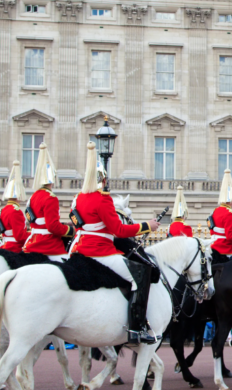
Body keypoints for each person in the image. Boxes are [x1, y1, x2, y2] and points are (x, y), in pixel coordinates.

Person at [70, 142, 160, 344]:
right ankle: (138, 327)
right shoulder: (103, 200)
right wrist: (147, 226)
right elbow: (118, 230)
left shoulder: (77, 199)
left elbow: (78, 226)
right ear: (102, 180)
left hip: (78, 251)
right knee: (141, 275)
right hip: (101, 253)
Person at [22, 143, 73, 262]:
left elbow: (41, 221)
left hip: (32, 241)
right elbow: (52, 227)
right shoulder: (50, 198)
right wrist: (71, 230)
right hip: (48, 244)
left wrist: (64, 223)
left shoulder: (33, 197)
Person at [209, 170, 232, 259]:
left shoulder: (215, 211)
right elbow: (231, 236)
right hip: (226, 249)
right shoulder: (229, 213)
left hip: (214, 246)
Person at [0, 160, 29, 253]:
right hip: (14, 248)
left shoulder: (4, 210)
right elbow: (20, 237)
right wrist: (34, 235)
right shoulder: (15, 211)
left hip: (5, 245)